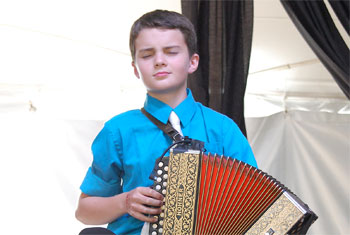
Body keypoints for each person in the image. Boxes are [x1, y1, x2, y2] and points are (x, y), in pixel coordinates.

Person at [75, 9, 257, 235]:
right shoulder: (117, 130)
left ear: (192, 62)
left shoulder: (223, 129)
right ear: (135, 68)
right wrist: (125, 201)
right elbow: (84, 211)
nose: (159, 61)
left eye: (171, 52)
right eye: (147, 55)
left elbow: (253, 202)